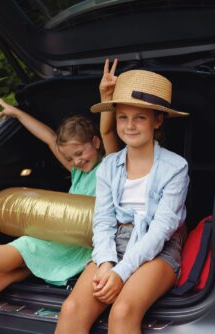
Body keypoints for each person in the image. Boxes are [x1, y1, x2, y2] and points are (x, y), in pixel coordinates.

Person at [55, 69, 190, 334]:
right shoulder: (108, 166)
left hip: (158, 248)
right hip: (114, 243)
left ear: (158, 121)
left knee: (123, 310)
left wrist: (121, 272)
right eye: (123, 117)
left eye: (140, 117)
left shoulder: (176, 167)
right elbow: (103, 221)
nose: (129, 125)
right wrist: (106, 262)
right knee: (72, 309)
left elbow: (161, 229)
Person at [0, 59, 120, 292]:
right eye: (70, 158)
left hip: (79, 242)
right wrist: (18, 115)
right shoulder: (77, 171)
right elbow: (49, 137)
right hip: (56, 237)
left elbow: (109, 130)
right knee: (11, 270)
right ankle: (20, 274)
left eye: (80, 153)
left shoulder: (111, 166)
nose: (76, 161)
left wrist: (106, 97)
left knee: (22, 248)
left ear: (95, 142)